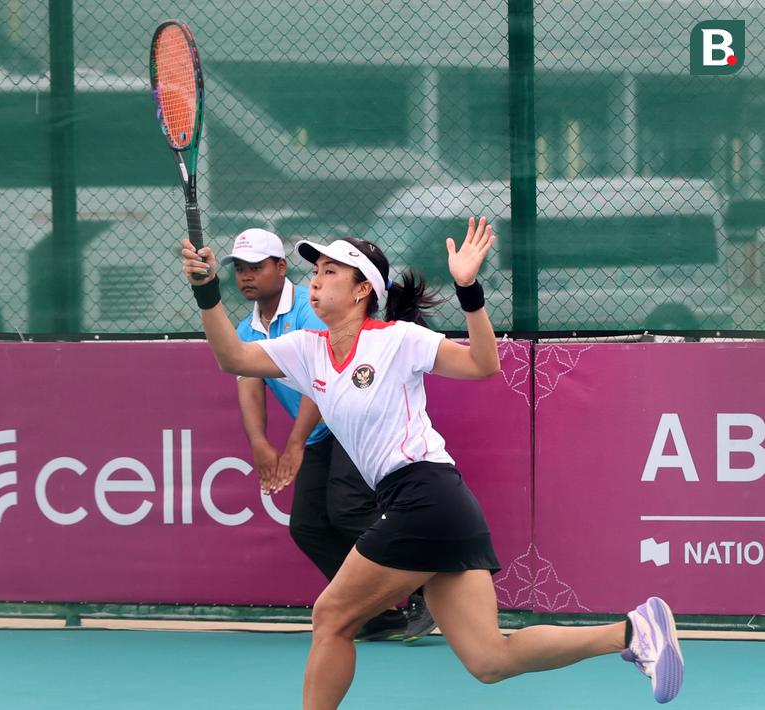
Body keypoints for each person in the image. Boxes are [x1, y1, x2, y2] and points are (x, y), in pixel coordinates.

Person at [181, 217, 683, 708]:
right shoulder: (305, 350)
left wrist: (470, 291)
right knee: (490, 660)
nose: (315, 281)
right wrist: (208, 291)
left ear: (362, 290)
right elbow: (235, 358)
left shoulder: (398, 339)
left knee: (330, 615)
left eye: (331, 272)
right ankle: (634, 631)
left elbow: (483, 364)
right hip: (436, 505)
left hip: (425, 494)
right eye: (314, 272)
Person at [221, 227, 434, 643]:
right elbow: (248, 385)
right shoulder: (247, 329)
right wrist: (262, 445)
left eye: (256, 267)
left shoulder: (310, 307)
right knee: (308, 526)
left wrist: (295, 444)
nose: (246, 275)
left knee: (348, 509)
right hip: (324, 433)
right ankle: (372, 612)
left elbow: (322, 381)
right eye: (240, 269)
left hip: (353, 422)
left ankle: (426, 589)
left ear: (280, 268)